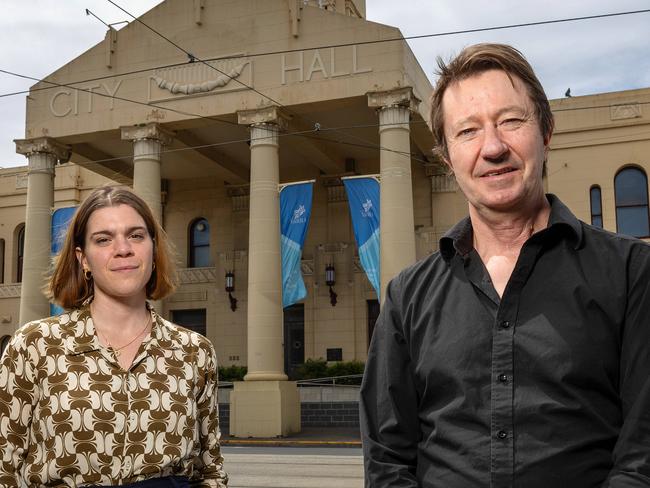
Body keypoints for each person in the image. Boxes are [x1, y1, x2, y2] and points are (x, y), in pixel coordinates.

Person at [360, 43, 650, 487]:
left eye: (511, 121)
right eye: (468, 132)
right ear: (447, 157)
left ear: (546, 131)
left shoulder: (633, 272)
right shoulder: (407, 297)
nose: (493, 147)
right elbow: (386, 459)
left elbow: (642, 457)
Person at [0, 186, 228, 487]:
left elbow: (210, 472)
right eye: (103, 239)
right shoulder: (35, 346)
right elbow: (5, 469)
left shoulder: (194, 351)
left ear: (153, 249)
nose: (123, 249)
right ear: (83, 259)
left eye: (136, 235)